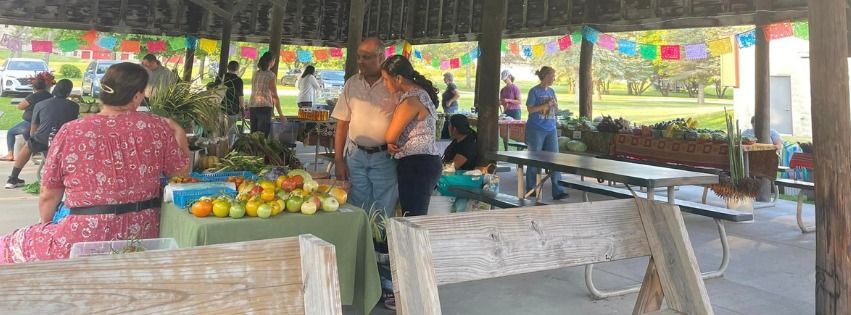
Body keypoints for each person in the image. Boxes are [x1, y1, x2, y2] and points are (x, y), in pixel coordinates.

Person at [0, 62, 190, 264]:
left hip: (83, 238)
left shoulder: (72, 131)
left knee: (8, 245)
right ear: (136, 96)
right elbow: (181, 174)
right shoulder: (157, 127)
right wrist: (178, 132)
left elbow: (49, 194)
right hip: (143, 235)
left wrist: (45, 226)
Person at [331, 37, 399, 216]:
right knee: (357, 207)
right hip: (355, 156)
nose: (361, 62)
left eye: (367, 57)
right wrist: (338, 160)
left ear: (381, 57)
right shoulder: (352, 83)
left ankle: (382, 244)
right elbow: (342, 124)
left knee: (384, 208)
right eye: (359, 57)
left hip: (385, 157)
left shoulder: (393, 85)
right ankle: (361, 243)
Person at [382, 55, 442, 217]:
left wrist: (389, 142)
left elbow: (390, 136)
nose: (385, 84)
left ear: (399, 78)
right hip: (426, 161)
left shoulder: (410, 100)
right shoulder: (421, 93)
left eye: (387, 80)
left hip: (417, 164)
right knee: (414, 214)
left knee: (413, 217)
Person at [5, 79, 79, 189]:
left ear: (55, 89)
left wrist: (33, 138)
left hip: (42, 140)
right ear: (68, 92)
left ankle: (13, 178)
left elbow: (33, 128)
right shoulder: (74, 106)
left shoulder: (40, 105)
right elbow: (72, 125)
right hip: (63, 142)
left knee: (28, 146)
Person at [525, 66, 568, 200]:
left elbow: (555, 108)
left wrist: (555, 107)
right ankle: (532, 188)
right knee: (534, 158)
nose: (554, 78)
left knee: (555, 159)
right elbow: (530, 110)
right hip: (536, 128)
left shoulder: (551, 91)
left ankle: (558, 190)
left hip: (551, 128)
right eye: (553, 76)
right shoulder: (534, 91)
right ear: (546, 76)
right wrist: (545, 106)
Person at [3, 72, 55, 162]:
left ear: (34, 87)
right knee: (27, 135)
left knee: (11, 132)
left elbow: (20, 106)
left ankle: (10, 154)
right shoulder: (50, 96)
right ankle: (34, 150)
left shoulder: (33, 96)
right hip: (44, 123)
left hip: (30, 123)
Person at [249, 52, 285, 136]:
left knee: (254, 136)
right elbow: (274, 95)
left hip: (253, 106)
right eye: (274, 61)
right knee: (262, 137)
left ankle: (254, 149)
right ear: (272, 61)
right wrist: (280, 114)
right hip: (264, 108)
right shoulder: (271, 75)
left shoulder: (255, 74)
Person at [212, 61, 245, 140]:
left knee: (219, 131)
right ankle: (228, 148)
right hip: (233, 109)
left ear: (228, 67)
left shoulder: (220, 77)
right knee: (230, 132)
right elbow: (240, 96)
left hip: (219, 108)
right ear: (237, 68)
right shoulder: (238, 80)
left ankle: (218, 147)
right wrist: (243, 109)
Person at [440, 72, 460, 139]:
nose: (444, 79)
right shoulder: (449, 86)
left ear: (448, 78)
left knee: (450, 121)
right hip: (448, 107)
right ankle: (448, 136)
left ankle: (449, 136)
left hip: (451, 107)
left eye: (445, 77)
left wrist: (450, 101)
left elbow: (457, 95)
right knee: (448, 121)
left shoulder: (451, 85)